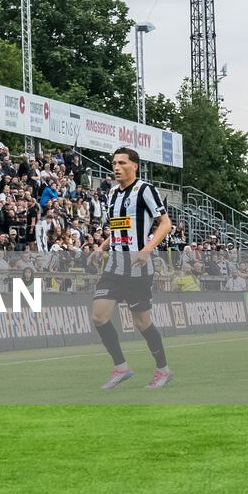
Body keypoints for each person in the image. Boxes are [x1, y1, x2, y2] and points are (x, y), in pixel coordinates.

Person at [93, 146, 176, 390]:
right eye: (114, 163)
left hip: (138, 267)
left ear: (134, 165)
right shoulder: (112, 194)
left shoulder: (145, 190)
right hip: (114, 266)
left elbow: (165, 223)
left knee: (141, 322)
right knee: (99, 316)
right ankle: (121, 367)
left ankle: (163, 370)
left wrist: (148, 248)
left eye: (121, 163)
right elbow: (119, 227)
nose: (116, 167)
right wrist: (103, 246)